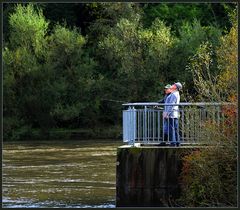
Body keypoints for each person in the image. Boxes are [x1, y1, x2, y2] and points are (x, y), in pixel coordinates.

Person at [163, 82, 182, 146]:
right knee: (175, 129)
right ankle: (177, 142)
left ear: (175, 87)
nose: (172, 85)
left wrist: (167, 113)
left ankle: (173, 143)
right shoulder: (175, 93)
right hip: (174, 114)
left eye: (174, 85)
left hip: (172, 114)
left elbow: (171, 105)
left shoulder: (174, 94)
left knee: (172, 129)